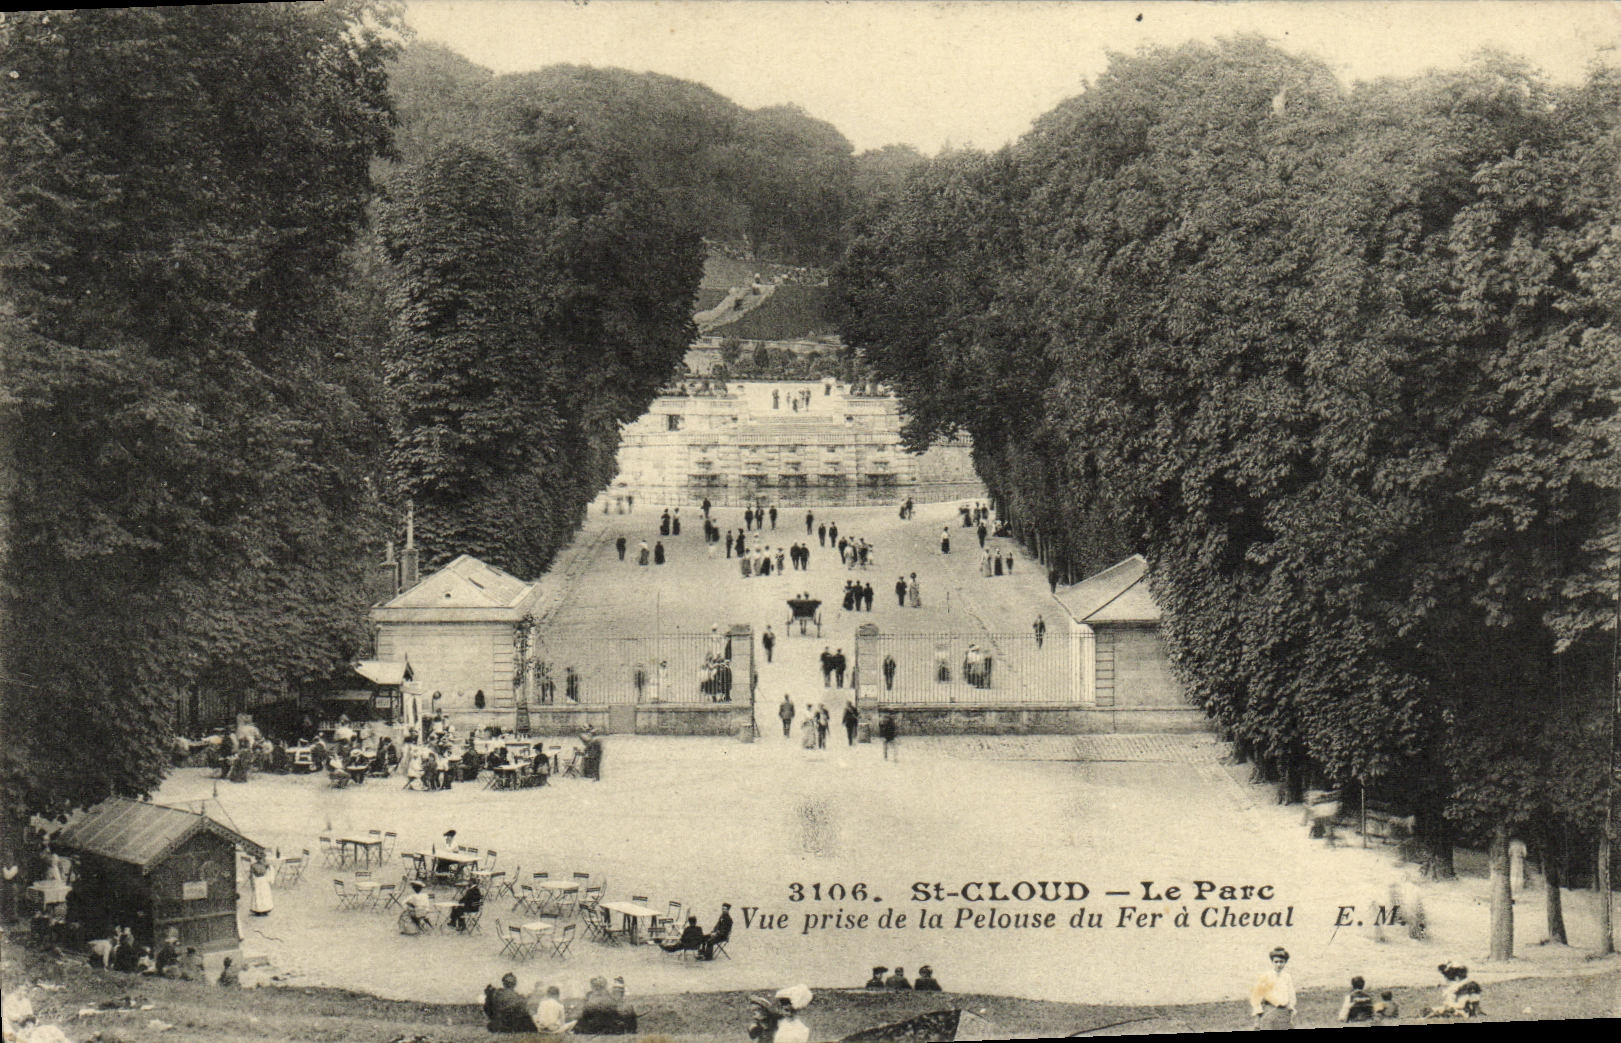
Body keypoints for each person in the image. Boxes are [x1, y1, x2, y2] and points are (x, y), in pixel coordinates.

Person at [1249, 946, 1296, 1030]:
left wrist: (1291, 1010)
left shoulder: (1287, 977)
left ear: (1285, 962)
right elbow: (1256, 997)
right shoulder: (1266, 976)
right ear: (1272, 962)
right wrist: (1257, 1019)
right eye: (1276, 962)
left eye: (1281, 962)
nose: (1279, 964)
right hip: (1269, 1012)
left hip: (1284, 1013)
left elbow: (1291, 995)